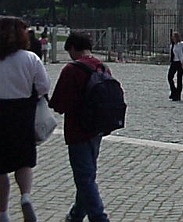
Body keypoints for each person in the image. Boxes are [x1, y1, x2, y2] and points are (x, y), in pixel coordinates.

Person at [49, 32, 113, 222]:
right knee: (87, 174)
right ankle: (76, 214)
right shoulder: (102, 66)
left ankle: (99, 217)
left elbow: (59, 104)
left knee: (84, 178)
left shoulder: (72, 70)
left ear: (73, 48)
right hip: (97, 128)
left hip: (78, 129)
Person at [0, 16, 50, 222]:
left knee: (0, 167)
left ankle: (2, 212)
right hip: (23, 113)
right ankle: (26, 196)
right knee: (24, 162)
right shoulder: (30, 58)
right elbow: (44, 86)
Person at [167, 31, 183, 101]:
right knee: (170, 77)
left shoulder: (182, 44)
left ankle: (178, 95)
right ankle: (173, 91)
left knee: (179, 78)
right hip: (174, 62)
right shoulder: (172, 45)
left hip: (180, 62)